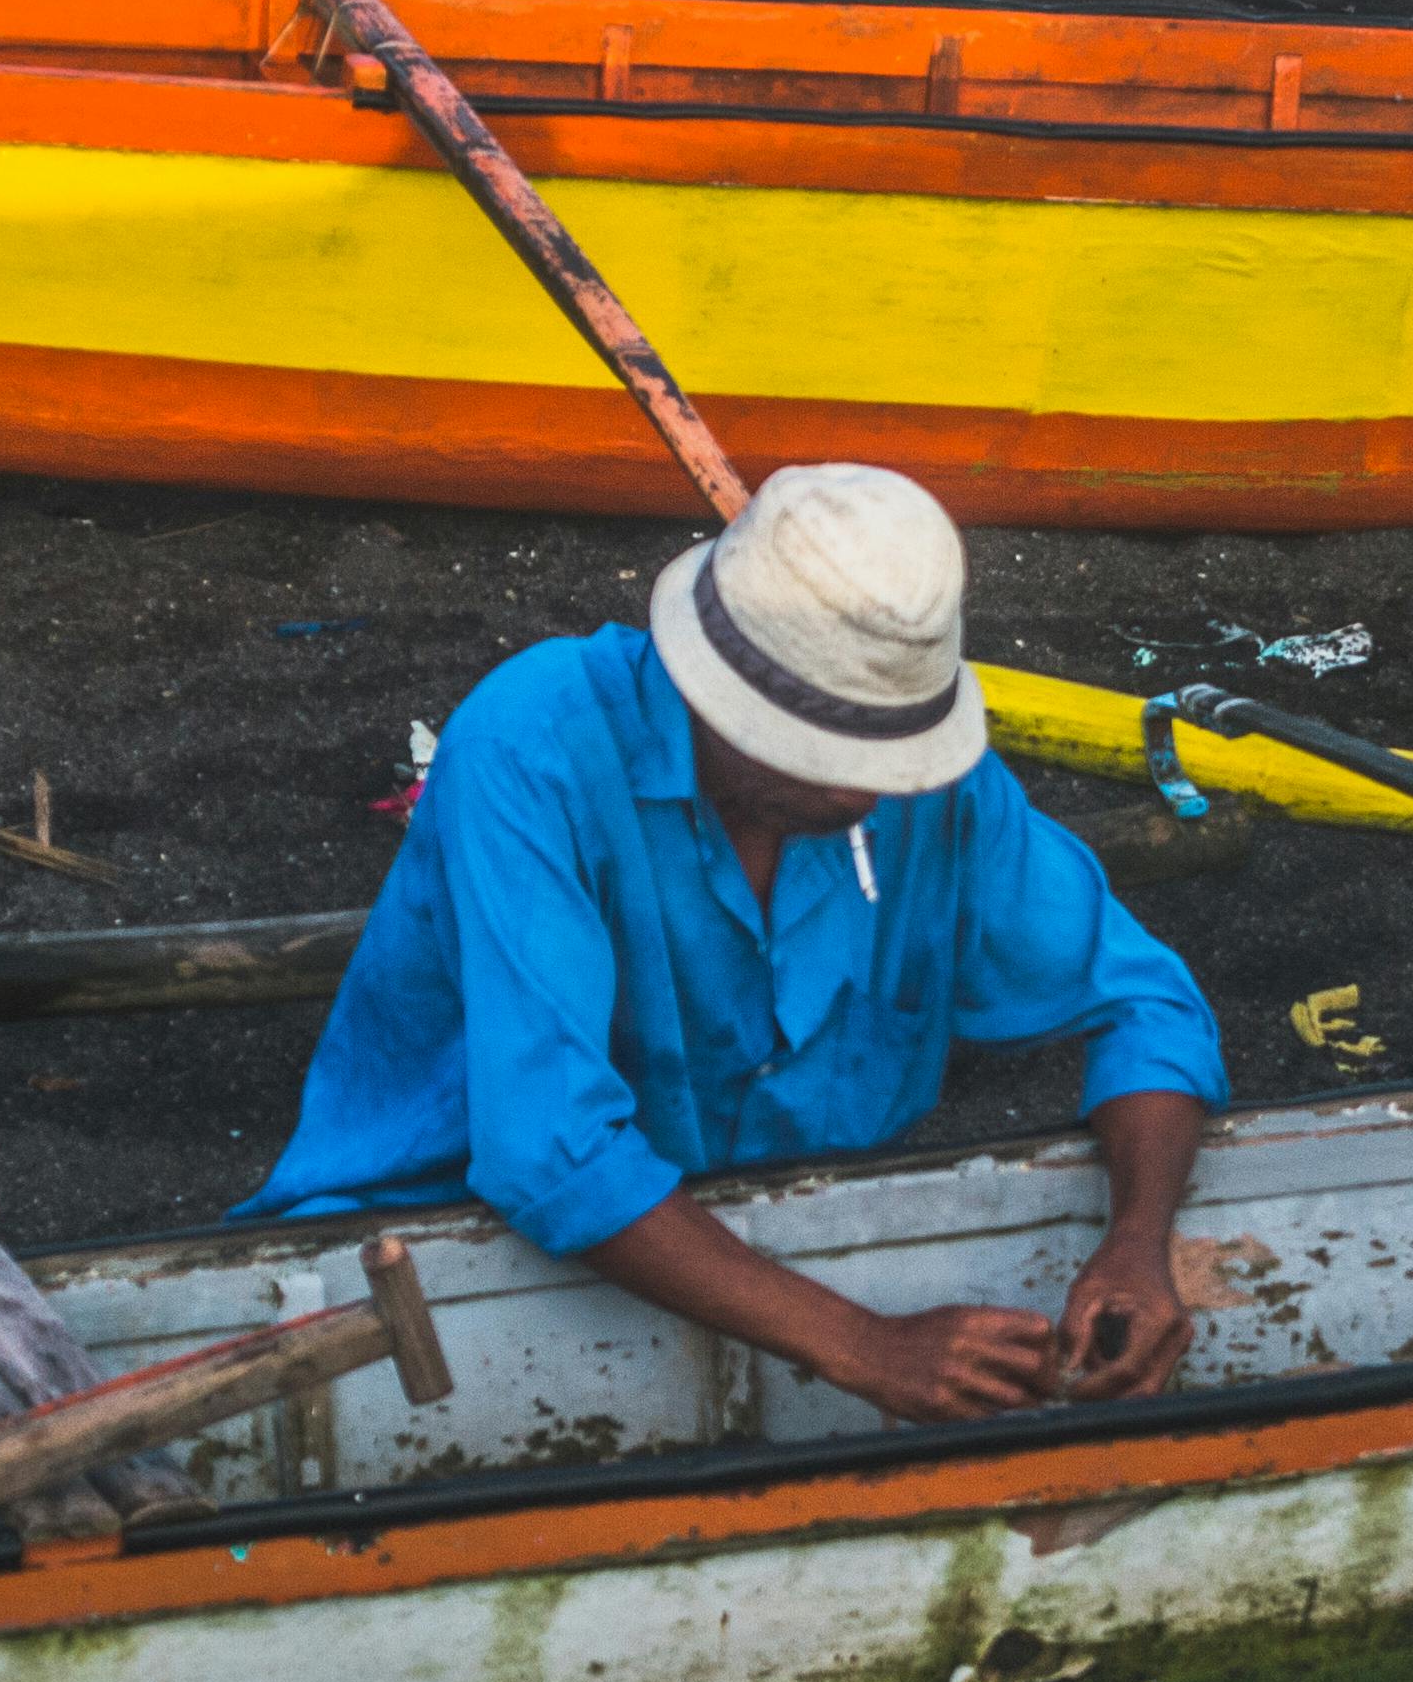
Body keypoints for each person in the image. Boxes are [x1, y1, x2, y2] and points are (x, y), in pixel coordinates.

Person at [234, 465, 1227, 1424]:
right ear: (706, 693)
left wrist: (1136, 1242)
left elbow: (1145, 1004)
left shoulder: (928, 783)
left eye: (890, 756)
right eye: (832, 759)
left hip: (765, 1238)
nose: (868, 795)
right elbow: (549, 1148)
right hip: (437, 1247)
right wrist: (860, 1343)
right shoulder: (530, 742)